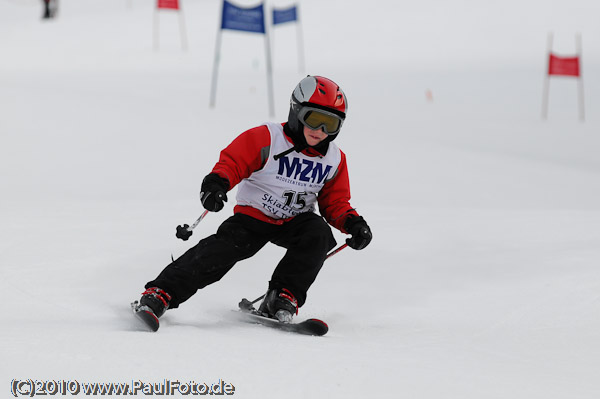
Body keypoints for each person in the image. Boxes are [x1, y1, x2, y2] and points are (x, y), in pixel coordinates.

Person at [135, 75, 372, 328]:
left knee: (318, 235)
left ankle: (282, 296)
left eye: (331, 124)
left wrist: (352, 224)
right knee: (220, 252)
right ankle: (161, 293)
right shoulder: (268, 138)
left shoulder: (334, 159)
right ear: (296, 112)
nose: (320, 131)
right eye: (314, 119)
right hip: (253, 217)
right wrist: (217, 184)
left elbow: (335, 201)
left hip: (295, 220)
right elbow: (234, 162)